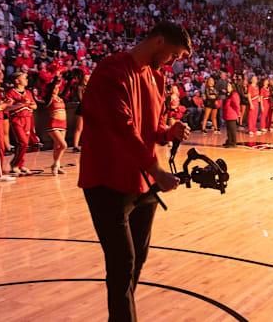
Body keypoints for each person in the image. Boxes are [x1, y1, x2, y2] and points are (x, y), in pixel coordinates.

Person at [79, 22, 192, 322]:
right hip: (107, 182)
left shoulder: (157, 79)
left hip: (143, 185)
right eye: (174, 55)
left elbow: (149, 129)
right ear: (158, 42)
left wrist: (168, 133)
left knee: (135, 262)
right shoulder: (111, 70)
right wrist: (157, 168)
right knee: (122, 263)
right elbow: (123, 128)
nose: (174, 62)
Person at [6, 71, 36, 175]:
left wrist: (29, 105)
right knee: (23, 142)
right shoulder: (11, 93)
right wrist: (22, 105)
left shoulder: (28, 92)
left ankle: (20, 164)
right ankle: (15, 164)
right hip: (17, 119)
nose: (27, 80)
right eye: (24, 78)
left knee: (25, 144)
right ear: (17, 81)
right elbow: (7, 107)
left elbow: (35, 106)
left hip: (27, 119)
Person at [45, 80, 68, 175]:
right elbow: (50, 91)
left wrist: (69, 80)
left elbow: (66, 90)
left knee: (57, 147)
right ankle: (56, 164)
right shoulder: (49, 99)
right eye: (55, 87)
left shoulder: (60, 98)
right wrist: (54, 78)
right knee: (64, 145)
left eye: (58, 87)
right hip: (53, 124)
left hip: (63, 124)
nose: (57, 89)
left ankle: (56, 167)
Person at [71, 74, 89, 153]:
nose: (88, 77)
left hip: (90, 107)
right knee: (79, 128)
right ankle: (75, 146)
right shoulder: (80, 87)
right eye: (87, 76)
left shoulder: (91, 87)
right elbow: (80, 98)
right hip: (83, 107)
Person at [222, 82, 240, 147]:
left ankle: (233, 142)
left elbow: (236, 105)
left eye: (229, 86)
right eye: (227, 86)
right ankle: (229, 141)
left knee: (232, 130)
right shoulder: (228, 94)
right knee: (229, 129)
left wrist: (238, 113)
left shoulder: (234, 94)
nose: (227, 87)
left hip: (232, 114)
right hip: (228, 114)